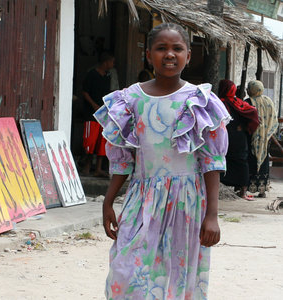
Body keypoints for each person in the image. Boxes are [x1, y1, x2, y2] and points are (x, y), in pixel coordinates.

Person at [93, 23, 231, 299]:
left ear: (188, 56)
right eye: (161, 48)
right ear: (148, 55)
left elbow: (211, 162)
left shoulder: (199, 101)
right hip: (141, 199)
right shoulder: (130, 99)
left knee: (178, 277)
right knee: (125, 273)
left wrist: (213, 216)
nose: (170, 54)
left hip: (187, 201)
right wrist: (109, 201)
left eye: (177, 48)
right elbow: (123, 159)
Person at [218, 79, 259, 201]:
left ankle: (223, 186)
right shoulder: (238, 102)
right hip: (239, 137)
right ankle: (243, 191)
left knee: (224, 160)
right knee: (241, 162)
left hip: (224, 137)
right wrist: (246, 127)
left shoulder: (219, 103)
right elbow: (253, 112)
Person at [81, 52, 115, 177]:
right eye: (112, 62)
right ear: (106, 62)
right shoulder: (92, 75)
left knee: (102, 142)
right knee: (90, 141)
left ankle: (98, 169)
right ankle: (87, 166)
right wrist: (93, 105)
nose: (112, 65)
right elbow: (85, 92)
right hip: (91, 114)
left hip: (104, 114)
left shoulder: (107, 76)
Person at [245, 80, 279, 198]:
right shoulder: (268, 101)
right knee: (264, 159)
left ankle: (245, 188)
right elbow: (274, 120)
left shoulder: (248, 102)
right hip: (266, 138)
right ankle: (262, 190)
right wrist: (267, 133)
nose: (247, 90)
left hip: (251, 137)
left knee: (250, 160)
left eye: (248, 88)